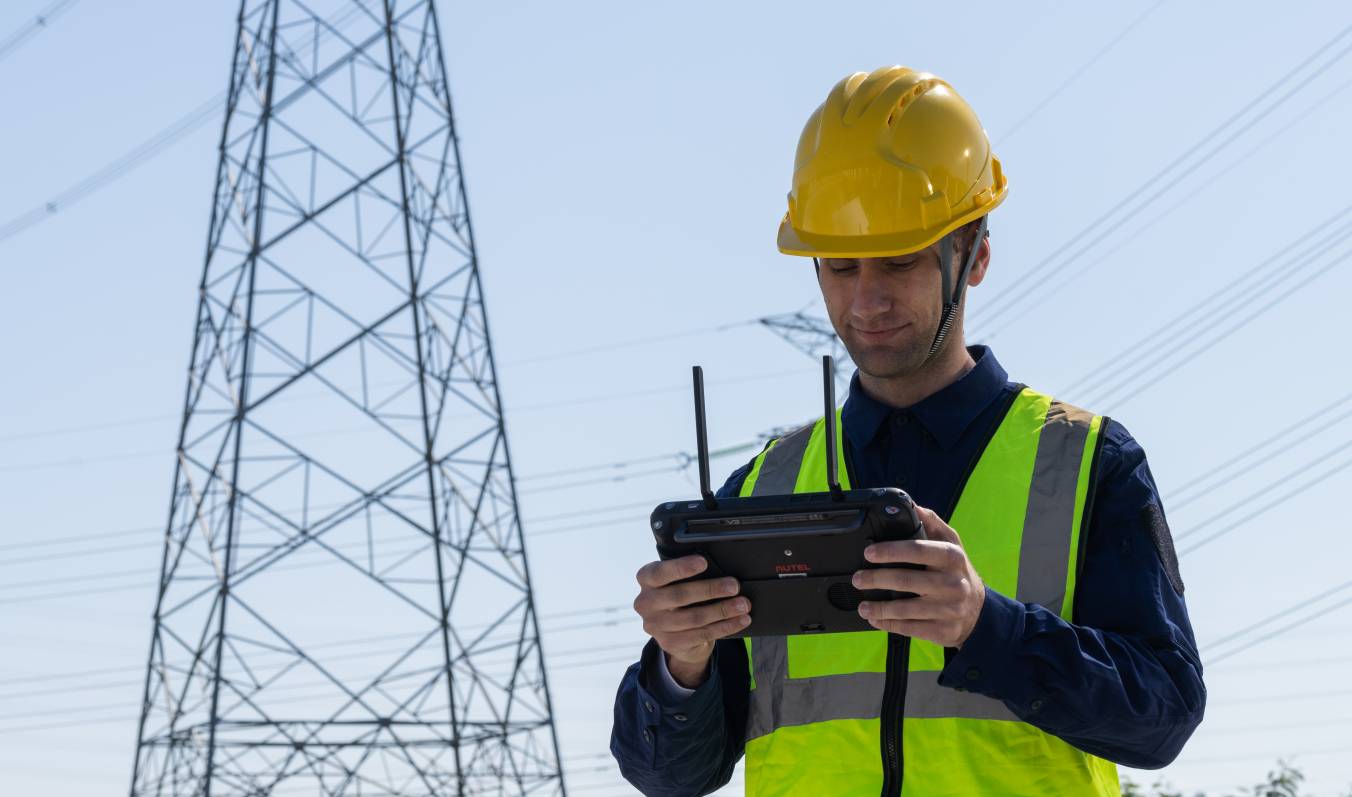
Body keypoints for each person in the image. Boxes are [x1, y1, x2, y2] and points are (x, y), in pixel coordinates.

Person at [609, 66, 1205, 796]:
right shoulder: (761, 488)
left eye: (900, 260)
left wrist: (988, 628)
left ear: (976, 254)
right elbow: (670, 775)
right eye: (839, 264)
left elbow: (1165, 714)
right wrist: (681, 663)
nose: (866, 300)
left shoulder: (1087, 465)